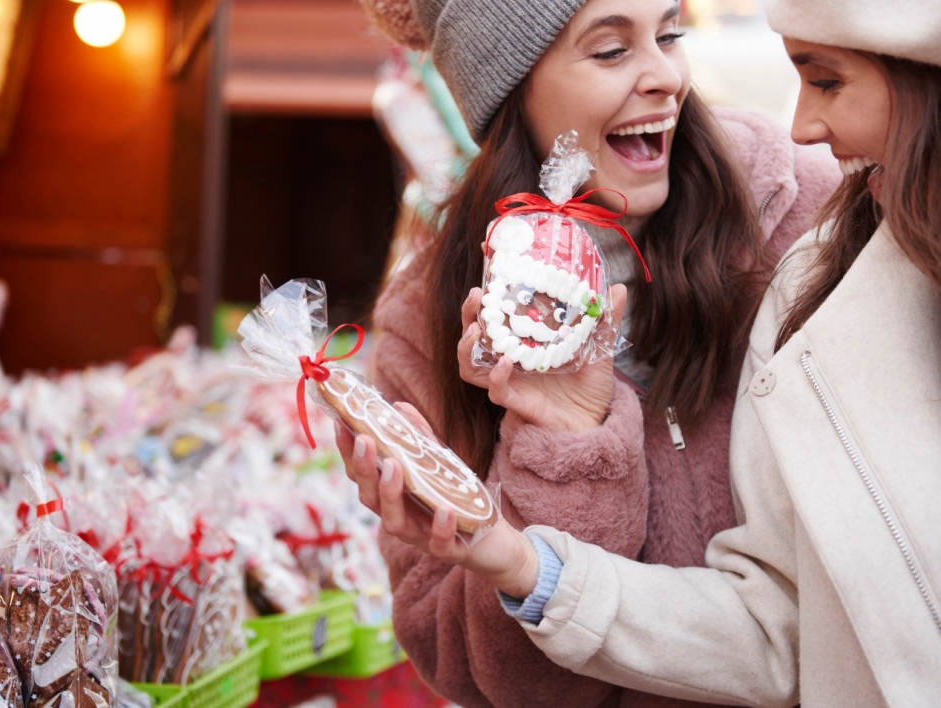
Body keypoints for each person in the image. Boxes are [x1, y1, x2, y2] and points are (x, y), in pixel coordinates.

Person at [346, 0, 941, 706]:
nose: (667, 76)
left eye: (669, 34)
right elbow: (490, 679)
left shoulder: (810, 214)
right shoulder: (429, 322)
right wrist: (562, 463)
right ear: (509, 89)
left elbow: (802, 613)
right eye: (610, 51)